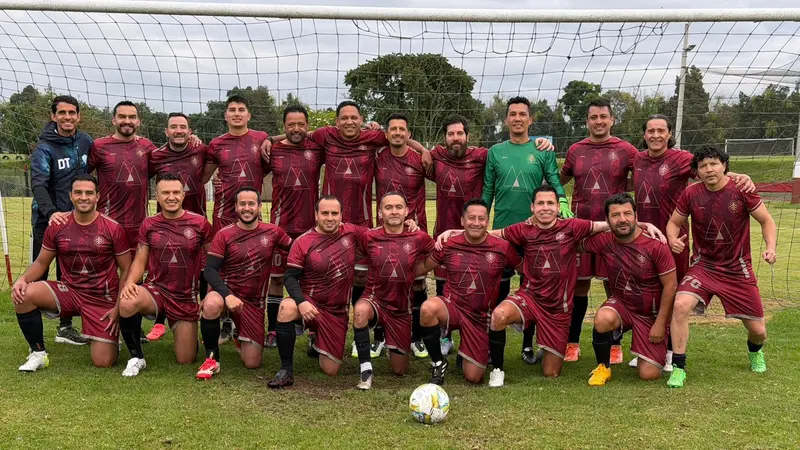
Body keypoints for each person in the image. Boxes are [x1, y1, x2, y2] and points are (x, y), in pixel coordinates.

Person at [627, 114, 754, 371]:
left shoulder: (682, 159)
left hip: (674, 240)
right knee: (645, 290)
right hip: (642, 237)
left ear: (670, 134)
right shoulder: (637, 158)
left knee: (671, 292)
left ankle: (672, 352)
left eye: (661, 130)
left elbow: (713, 171)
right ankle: (647, 347)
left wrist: (740, 176)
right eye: (650, 131)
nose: (655, 135)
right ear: (644, 135)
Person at [666, 146, 777, 388]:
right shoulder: (690, 194)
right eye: (703, 166)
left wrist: (771, 247)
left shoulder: (742, 189)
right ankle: (678, 367)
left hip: (737, 269)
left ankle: (755, 352)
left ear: (724, 165)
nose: (709, 169)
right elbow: (674, 223)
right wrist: (672, 239)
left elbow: (767, 220)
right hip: (703, 266)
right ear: (696, 172)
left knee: (759, 331)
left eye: (714, 163)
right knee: (680, 305)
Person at [11, 174, 131, 371]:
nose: (84, 197)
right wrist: (22, 280)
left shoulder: (113, 228)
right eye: (78, 192)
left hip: (101, 298)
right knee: (23, 294)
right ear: (71, 195)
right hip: (69, 292)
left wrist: (118, 307)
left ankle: (108, 339)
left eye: (89, 193)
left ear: (97, 197)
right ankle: (38, 353)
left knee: (103, 362)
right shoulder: (58, 225)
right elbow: (41, 263)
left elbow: (126, 269)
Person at [482, 96, 567, 364]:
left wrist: (562, 200)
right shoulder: (495, 151)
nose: (517, 118)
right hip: (502, 232)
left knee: (533, 287)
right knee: (497, 287)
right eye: (512, 114)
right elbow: (487, 188)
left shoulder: (542, 149)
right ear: (506, 119)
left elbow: (554, 179)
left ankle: (527, 345)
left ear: (531, 120)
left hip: (535, 233)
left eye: (522, 114)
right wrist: (482, 216)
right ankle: (489, 341)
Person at [559, 98, 638, 364]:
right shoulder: (576, 149)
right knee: (577, 286)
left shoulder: (626, 149)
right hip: (581, 228)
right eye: (594, 117)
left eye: (603, 116)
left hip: (612, 230)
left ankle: (615, 344)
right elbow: (560, 178)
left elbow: (645, 174)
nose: (599, 121)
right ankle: (572, 342)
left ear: (612, 120)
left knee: (613, 287)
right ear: (587, 121)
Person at [415, 198, 522, 386]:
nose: (476, 222)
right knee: (427, 309)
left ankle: (466, 355)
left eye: (482, 218)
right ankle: (438, 362)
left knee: (474, 377)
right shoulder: (448, 244)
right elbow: (424, 266)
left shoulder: (502, 247)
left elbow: (524, 269)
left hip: (480, 317)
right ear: (462, 221)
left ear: (487, 222)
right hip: (452, 307)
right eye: (471, 218)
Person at [267, 196, 369, 388]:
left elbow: (382, 234)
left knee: (330, 370)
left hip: (336, 311)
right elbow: (290, 278)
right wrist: (301, 302)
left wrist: (409, 224)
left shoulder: (352, 233)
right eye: (324, 213)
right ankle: (286, 370)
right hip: (310, 303)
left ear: (341, 216)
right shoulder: (303, 241)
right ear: (316, 215)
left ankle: (317, 342)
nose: (329, 218)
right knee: (287, 307)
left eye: (334, 213)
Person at [116, 173, 213, 377]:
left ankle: (189, 337)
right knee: (127, 300)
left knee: (185, 359)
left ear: (183, 195)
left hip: (185, 296)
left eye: (176, 192)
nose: (171, 197)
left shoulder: (200, 223)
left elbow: (213, 261)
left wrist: (210, 293)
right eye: (165, 193)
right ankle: (136, 357)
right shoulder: (149, 224)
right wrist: (130, 283)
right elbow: (140, 260)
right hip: (156, 290)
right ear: (157, 197)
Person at [580, 193, 677, 386]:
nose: (622, 219)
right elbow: (573, 242)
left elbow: (671, 286)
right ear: (607, 220)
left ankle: (648, 350)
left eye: (627, 214)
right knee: (603, 317)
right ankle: (603, 367)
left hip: (650, 313)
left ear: (636, 216)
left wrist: (660, 323)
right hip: (622, 305)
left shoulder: (656, 245)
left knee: (649, 374)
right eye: (615, 215)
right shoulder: (604, 241)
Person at [196, 187, 292, 379]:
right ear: (236, 207)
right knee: (212, 302)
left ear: (259, 206)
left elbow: (298, 250)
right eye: (242, 204)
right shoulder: (224, 234)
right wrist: (228, 295)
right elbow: (210, 270)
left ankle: (239, 335)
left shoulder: (273, 232)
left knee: (252, 363)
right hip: (226, 296)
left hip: (253, 303)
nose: (247, 208)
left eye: (251, 204)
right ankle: (211, 358)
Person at [203, 95, 270, 343]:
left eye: (242, 109)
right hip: (224, 214)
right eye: (232, 110)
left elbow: (279, 143)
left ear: (249, 115)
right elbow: (203, 177)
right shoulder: (217, 144)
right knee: (221, 267)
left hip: (251, 214)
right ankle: (223, 320)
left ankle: (248, 319)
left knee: (252, 266)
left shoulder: (261, 138)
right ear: (226, 115)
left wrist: (274, 140)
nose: (237, 113)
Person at [352, 192, 434, 389]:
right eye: (388, 207)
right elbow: (350, 251)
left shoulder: (418, 237)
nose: (394, 211)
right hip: (374, 299)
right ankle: (365, 370)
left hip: (401, 307)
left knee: (399, 370)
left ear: (406, 211)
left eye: (399, 207)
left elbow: (436, 253)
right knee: (360, 311)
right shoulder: (369, 236)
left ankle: (392, 345)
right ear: (380, 212)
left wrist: (418, 270)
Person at [29, 95, 93, 345]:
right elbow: (38, 184)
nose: (67, 117)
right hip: (49, 220)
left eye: (72, 113)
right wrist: (51, 212)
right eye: (62, 113)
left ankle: (65, 328)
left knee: (71, 272)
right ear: (53, 116)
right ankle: (32, 333)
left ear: (78, 116)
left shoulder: (85, 141)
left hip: (78, 219)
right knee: (40, 272)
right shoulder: (44, 148)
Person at [146, 112, 211, 341]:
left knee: (202, 269)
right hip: (166, 225)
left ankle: (204, 318)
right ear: (166, 131)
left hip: (197, 221)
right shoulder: (155, 156)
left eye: (183, 126)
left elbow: (213, 166)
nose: (178, 130)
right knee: (165, 270)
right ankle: (159, 321)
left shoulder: (201, 149)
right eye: (173, 127)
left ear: (190, 131)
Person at [264, 105, 324, 348]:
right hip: (281, 227)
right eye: (291, 124)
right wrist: (268, 139)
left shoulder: (317, 149)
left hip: (312, 229)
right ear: (284, 126)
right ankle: (274, 330)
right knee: (276, 279)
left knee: (312, 281)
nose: (296, 128)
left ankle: (312, 333)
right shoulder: (273, 151)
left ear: (308, 126)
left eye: (301, 124)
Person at [374, 113, 430, 358]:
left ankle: (416, 337)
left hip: (414, 229)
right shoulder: (376, 155)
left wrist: (424, 149)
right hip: (383, 230)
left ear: (408, 134)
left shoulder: (420, 160)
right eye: (392, 129)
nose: (397, 133)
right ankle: (378, 337)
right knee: (381, 278)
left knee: (416, 281)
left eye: (402, 129)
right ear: (386, 134)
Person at [87, 101, 158, 259]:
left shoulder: (146, 146)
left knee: (135, 277)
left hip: (139, 226)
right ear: (114, 120)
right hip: (106, 224)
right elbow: (82, 177)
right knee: (106, 274)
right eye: (122, 116)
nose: (127, 121)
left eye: (132, 117)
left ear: (138, 121)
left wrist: (191, 138)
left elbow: (167, 161)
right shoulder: (99, 146)